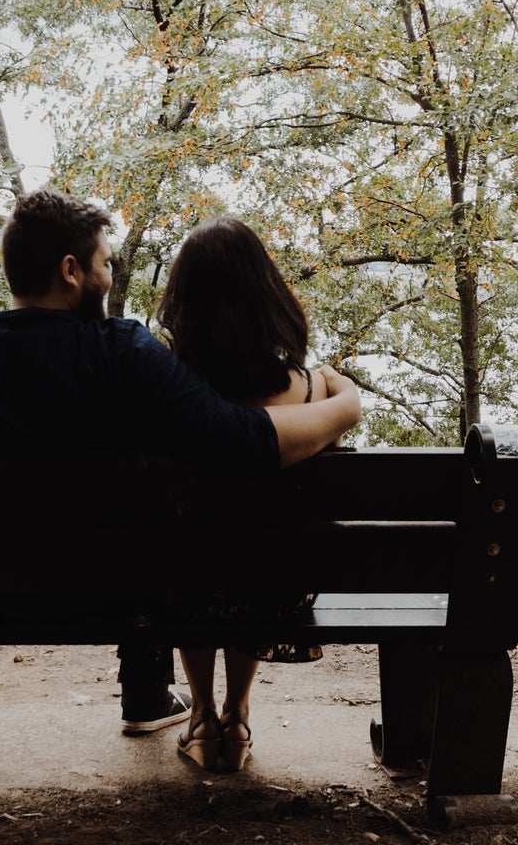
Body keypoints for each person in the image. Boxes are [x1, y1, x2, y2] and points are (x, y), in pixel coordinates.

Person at [0, 189, 360, 735]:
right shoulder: (124, 356)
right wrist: (344, 406)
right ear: (71, 271)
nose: (109, 275)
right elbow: (245, 441)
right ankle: (148, 693)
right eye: (104, 263)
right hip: (100, 596)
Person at [154, 216, 330, 772]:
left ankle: (202, 717)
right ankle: (238, 713)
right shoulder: (306, 388)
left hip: (185, 584)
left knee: (192, 561)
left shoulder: (168, 389)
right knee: (256, 558)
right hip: (278, 588)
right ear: (266, 295)